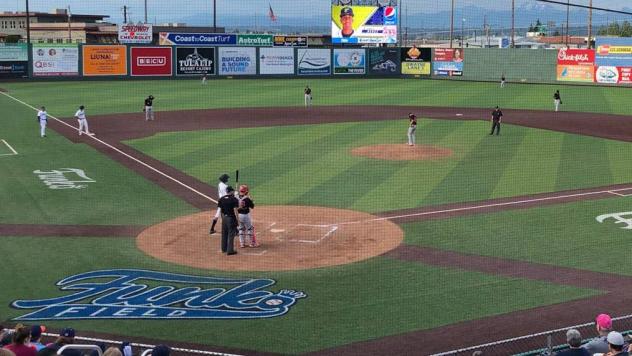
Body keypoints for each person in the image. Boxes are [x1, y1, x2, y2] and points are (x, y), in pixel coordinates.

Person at [217, 186, 240, 255]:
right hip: (231, 218)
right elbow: (235, 210)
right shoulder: (234, 199)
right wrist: (237, 220)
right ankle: (230, 250)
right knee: (231, 234)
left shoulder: (221, 199)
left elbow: (221, 211)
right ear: (231, 191)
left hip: (224, 218)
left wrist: (222, 219)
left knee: (224, 234)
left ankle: (223, 249)